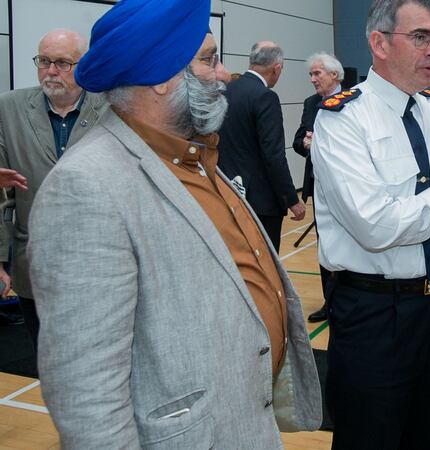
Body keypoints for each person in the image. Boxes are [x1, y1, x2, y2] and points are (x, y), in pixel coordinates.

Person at [27, 0, 321, 446]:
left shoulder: (191, 155)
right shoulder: (85, 187)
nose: (223, 75)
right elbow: (87, 395)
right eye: (208, 59)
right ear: (162, 77)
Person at [311, 0, 430, 447]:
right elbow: (376, 227)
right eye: (420, 37)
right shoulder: (343, 118)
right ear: (379, 43)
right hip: (375, 313)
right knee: (368, 437)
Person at [0, 29, 107, 359]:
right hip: (34, 266)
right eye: (44, 61)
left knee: (96, 362)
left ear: (83, 65)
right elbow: (3, 198)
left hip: (99, 267)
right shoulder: (9, 109)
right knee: (47, 362)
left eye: (62, 63)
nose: (50, 71)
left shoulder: (112, 110)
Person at [217, 41, 305, 252]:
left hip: (228, 194)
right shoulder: (265, 97)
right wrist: (291, 199)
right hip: (260, 203)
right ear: (276, 68)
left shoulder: (226, 91)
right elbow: (273, 155)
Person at [292, 51, 345, 323]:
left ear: (334, 75)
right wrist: (306, 145)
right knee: (325, 245)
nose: (312, 79)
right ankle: (330, 304)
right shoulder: (311, 103)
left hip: (348, 184)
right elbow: (298, 140)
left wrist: (322, 145)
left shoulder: (354, 100)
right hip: (319, 186)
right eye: (311, 74)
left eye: (317, 74)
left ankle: (349, 301)